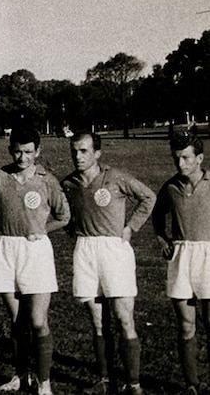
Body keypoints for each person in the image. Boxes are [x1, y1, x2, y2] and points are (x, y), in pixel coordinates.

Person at [61, 132, 155, 395]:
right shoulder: (69, 184)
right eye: (75, 151)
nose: (77, 156)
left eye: (83, 151)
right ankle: (104, 380)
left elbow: (148, 197)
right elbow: (62, 212)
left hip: (115, 250)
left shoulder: (115, 177)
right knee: (97, 321)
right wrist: (73, 230)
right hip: (85, 250)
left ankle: (133, 383)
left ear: (97, 153)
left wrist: (131, 228)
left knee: (124, 318)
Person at [0, 128, 70, 395]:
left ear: (38, 151)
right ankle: (20, 375)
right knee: (17, 320)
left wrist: (43, 230)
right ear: (10, 149)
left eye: (29, 152)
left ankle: (44, 381)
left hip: (36, 250)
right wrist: (1, 227)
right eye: (18, 151)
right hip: (7, 248)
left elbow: (63, 215)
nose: (22, 157)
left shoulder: (47, 180)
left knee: (37, 320)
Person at [151, 133, 210, 395]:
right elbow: (157, 215)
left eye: (186, 158)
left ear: (200, 158)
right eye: (177, 158)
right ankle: (191, 385)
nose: (181, 164)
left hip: (209, 255)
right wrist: (162, 238)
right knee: (186, 324)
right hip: (182, 255)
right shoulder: (170, 187)